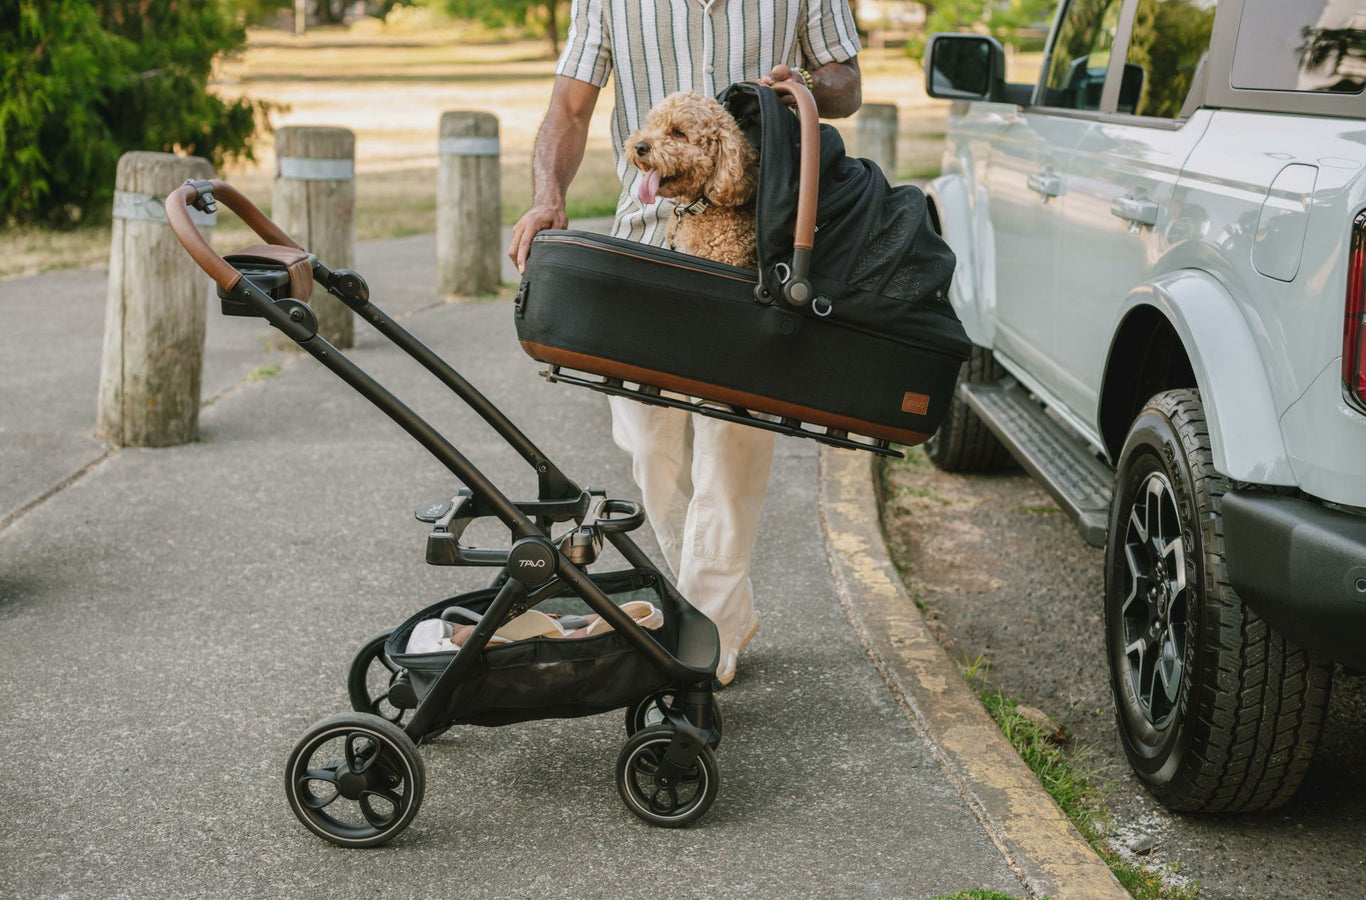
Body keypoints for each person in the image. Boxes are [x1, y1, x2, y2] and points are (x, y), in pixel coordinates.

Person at [508, 0, 862, 686]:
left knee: (731, 459)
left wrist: (807, 87)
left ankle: (707, 642)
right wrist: (548, 193)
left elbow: (847, 79)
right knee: (652, 457)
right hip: (645, 244)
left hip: (760, 252)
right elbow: (571, 109)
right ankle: (718, 612)